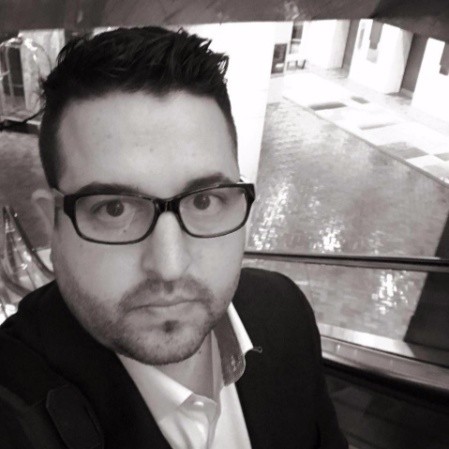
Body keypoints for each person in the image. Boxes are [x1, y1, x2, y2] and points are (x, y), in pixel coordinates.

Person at [0, 26, 347, 449]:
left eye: (203, 201)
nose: (169, 266)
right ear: (50, 222)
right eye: (114, 209)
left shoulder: (284, 312)